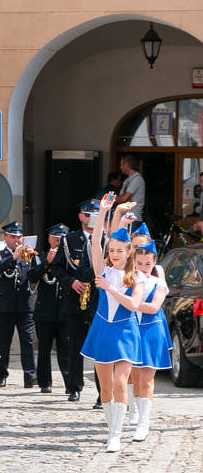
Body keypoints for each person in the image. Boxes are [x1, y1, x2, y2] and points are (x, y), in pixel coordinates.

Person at [80, 192, 143, 453]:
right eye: (112, 250)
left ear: (129, 252)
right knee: (105, 384)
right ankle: (111, 427)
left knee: (120, 382)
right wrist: (105, 211)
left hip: (126, 330)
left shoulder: (136, 277)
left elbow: (134, 305)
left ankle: (116, 434)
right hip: (103, 328)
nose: (114, 254)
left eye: (119, 250)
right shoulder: (102, 270)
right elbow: (95, 243)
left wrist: (111, 289)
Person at [49, 199, 100, 403]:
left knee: (99, 348)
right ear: (80, 216)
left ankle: (102, 392)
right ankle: (74, 387)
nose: (90, 218)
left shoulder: (106, 240)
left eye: (95, 214)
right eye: (87, 214)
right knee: (75, 345)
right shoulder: (69, 240)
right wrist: (71, 282)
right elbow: (57, 268)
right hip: (75, 298)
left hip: (98, 299)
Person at [129, 241, 170, 442]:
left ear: (154, 263)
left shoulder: (159, 284)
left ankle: (144, 423)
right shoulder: (128, 281)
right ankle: (135, 412)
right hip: (132, 330)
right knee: (135, 379)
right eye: (139, 263)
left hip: (152, 330)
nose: (143, 268)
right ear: (134, 263)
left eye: (147, 264)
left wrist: (131, 304)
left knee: (146, 379)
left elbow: (154, 308)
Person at [0, 221, 37, 388]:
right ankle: (2, 374)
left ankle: (30, 376)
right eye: (13, 236)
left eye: (19, 237)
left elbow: (35, 275)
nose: (17, 240)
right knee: (4, 342)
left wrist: (34, 258)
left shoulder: (29, 255)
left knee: (28, 341)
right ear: (5, 238)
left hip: (25, 305)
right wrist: (14, 256)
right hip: (5, 306)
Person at [28, 224, 70, 394]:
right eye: (55, 238)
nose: (58, 241)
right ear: (49, 239)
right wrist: (47, 262)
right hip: (45, 311)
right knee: (44, 349)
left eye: (61, 238)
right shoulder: (39, 258)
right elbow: (31, 277)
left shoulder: (71, 259)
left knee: (66, 350)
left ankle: (70, 383)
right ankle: (45, 383)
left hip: (65, 312)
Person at [115, 155, 146, 228]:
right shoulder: (130, 179)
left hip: (132, 219)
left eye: (121, 164)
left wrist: (113, 199)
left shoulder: (137, 179)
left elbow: (124, 198)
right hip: (127, 218)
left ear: (126, 165)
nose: (120, 167)